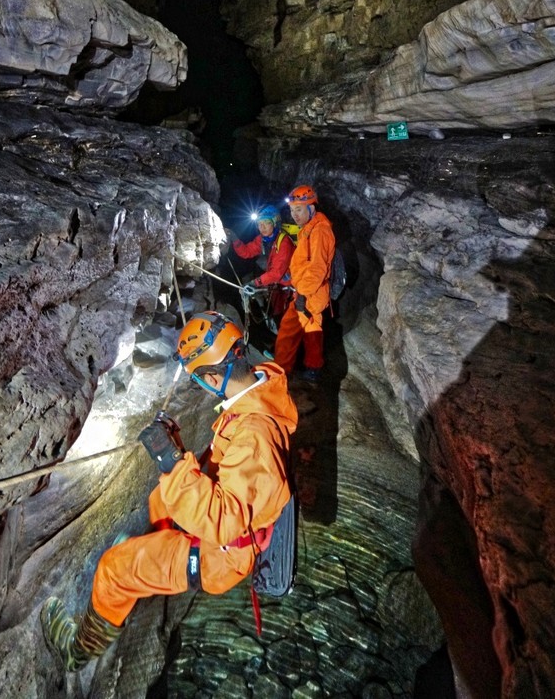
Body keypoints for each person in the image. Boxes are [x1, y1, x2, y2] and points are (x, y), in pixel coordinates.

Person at [40, 311, 298, 671]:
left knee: (115, 567)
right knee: (159, 501)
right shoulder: (258, 393)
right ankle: (155, 551)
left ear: (211, 376)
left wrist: (170, 461)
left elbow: (224, 521)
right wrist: (176, 450)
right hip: (225, 525)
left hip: (220, 554)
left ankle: (78, 651)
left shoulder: (254, 435)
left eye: (200, 379)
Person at [274, 185, 335, 383]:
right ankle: (313, 369)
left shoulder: (319, 232)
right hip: (311, 292)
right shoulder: (309, 229)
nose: (294, 215)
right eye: (292, 211)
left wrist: (302, 294)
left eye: (298, 210)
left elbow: (317, 268)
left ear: (311, 208)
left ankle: (280, 373)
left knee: (288, 331)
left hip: (309, 292)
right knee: (312, 331)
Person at [225, 205, 295, 324]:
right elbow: (246, 252)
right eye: (259, 223)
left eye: (266, 223)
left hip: (292, 287)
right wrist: (235, 239)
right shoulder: (263, 239)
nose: (262, 227)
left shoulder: (284, 242)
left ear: (274, 223)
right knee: (277, 315)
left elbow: (276, 273)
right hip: (278, 286)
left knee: (290, 320)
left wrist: (255, 283)